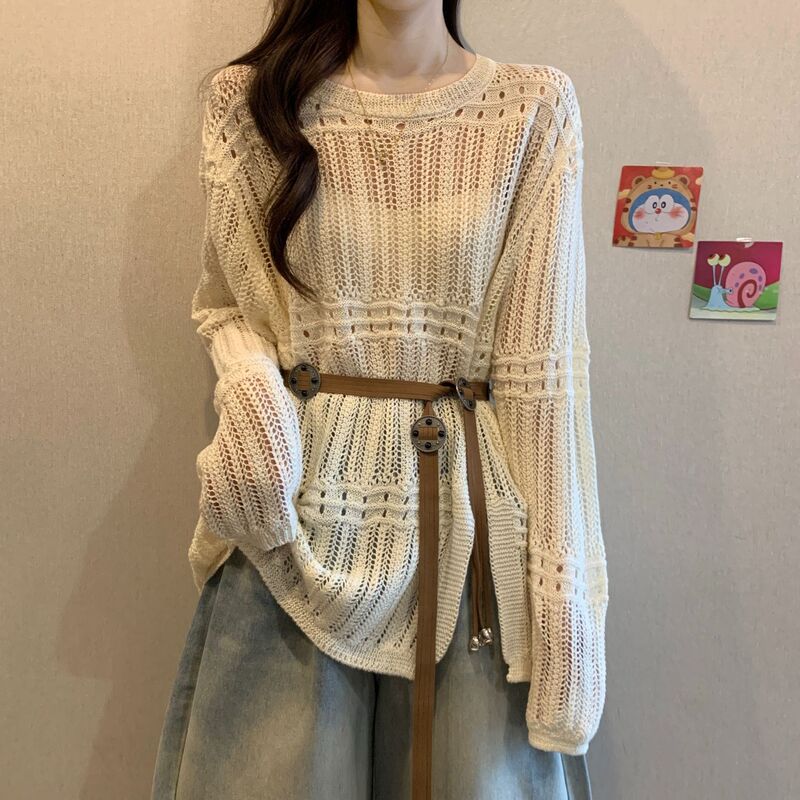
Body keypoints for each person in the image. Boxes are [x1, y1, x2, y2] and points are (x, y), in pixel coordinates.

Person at [151, 1, 609, 798]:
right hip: (292, 521)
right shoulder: (253, 104)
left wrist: (565, 617)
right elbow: (226, 304)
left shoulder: (533, 109)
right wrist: (251, 383)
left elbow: (544, 378)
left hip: (466, 534)